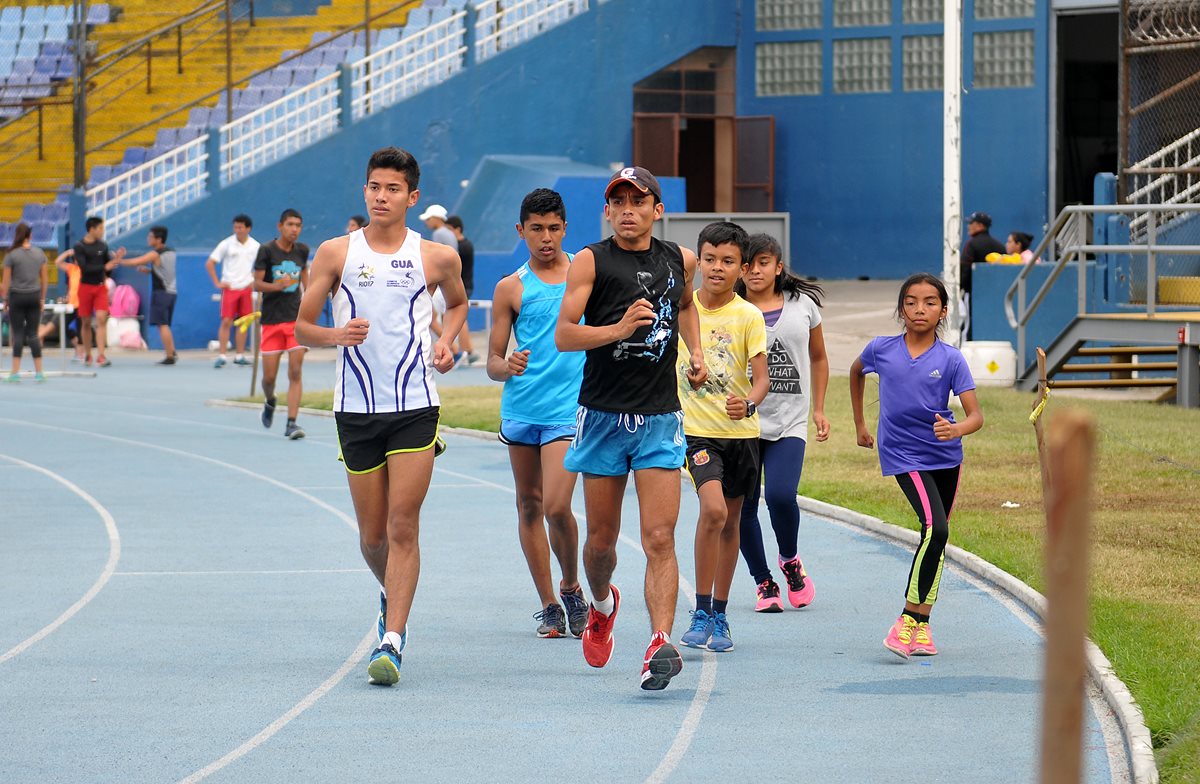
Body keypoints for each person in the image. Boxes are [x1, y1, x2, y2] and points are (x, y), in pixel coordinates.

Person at [295, 146, 466, 686]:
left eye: (393, 189)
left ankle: (392, 637)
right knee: (372, 538)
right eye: (374, 187)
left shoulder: (436, 257)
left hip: (416, 405)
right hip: (355, 409)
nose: (381, 196)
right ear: (364, 190)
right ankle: (392, 589)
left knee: (402, 525)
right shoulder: (334, 254)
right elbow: (301, 328)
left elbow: (457, 305)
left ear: (412, 198)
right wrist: (334, 335)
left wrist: (448, 342)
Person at [555, 166, 707, 691]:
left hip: (660, 417)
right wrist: (618, 329)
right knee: (600, 544)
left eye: (637, 201)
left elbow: (686, 305)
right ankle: (601, 605)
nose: (627, 210)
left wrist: (697, 352)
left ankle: (659, 644)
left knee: (660, 537)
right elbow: (564, 336)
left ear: (656, 210)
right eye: (617, 202)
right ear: (607, 211)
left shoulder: (680, 260)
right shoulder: (590, 262)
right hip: (601, 415)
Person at [849, 272, 984, 659]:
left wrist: (956, 428)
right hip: (902, 454)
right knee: (935, 527)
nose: (919, 309)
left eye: (929, 303)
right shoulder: (881, 349)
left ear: (943, 311)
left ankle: (923, 627)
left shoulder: (951, 359)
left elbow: (976, 416)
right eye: (911, 302)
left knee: (936, 538)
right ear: (901, 309)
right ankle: (907, 618)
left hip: (945, 458)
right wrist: (860, 423)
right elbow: (857, 372)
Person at [487, 188, 588, 639]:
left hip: (568, 409)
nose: (545, 238)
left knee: (557, 505)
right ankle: (548, 604)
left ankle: (570, 585)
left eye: (553, 228)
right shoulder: (510, 287)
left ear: (565, 228)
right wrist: (505, 365)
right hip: (522, 408)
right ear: (521, 231)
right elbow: (491, 360)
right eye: (536, 229)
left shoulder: (586, 276)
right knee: (529, 504)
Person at [676, 221, 768, 654]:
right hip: (697, 432)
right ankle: (699, 608)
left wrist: (747, 403)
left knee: (731, 523)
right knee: (711, 511)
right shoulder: (682, 308)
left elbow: (762, 382)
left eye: (727, 261)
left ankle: (721, 613)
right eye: (709, 259)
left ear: (742, 268)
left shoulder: (748, 316)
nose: (716, 268)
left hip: (742, 434)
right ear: (698, 261)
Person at [736, 234, 830, 613]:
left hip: (789, 421)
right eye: (748, 264)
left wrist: (819, 409)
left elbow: (820, 358)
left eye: (763, 263)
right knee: (742, 507)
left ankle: (790, 560)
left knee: (779, 495)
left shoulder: (802, 306)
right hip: (741, 423)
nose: (755, 270)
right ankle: (763, 583)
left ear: (778, 267)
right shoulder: (732, 308)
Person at [254, 209, 310, 440]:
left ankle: (292, 423)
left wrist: (310, 298)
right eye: (290, 224)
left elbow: (307, 281)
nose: (294, 229)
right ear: (280, 226)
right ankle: (270, 400)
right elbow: (256, 283)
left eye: (298, 225)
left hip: (295, 320)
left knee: (295, 371)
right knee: (269, 378)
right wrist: (276, 286)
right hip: (271, 320)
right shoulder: (267, 250)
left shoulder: (302, 251)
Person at [117, 225, 177, 365]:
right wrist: (150, 271)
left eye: (150, 237)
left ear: (159, 239)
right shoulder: (171, 252)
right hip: (171, 292)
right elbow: (165, 271)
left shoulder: (155, 254)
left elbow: (135, 262)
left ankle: (170, 356)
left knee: (162, 325)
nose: (148, 239)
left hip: (161, 292)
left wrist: (119, 260)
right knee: (165, 324)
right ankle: (171, 350)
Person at [206, 214, 260, 368]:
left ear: (248, 228)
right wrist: (217, 282)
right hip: (230, 288)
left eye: (241, 227)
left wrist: (253, 280)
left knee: (243, 323)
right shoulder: (226, 244)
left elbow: (262, 266)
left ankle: (240, 355)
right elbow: (210, 263)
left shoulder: (255, 246)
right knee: (226, 321)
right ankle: (222, 355)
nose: (238, 230)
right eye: (235, 227)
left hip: (246, 289)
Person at [73, 216, 125, 367]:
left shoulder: (103, 245)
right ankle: (88, 353)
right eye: (100, 228)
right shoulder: (79, 246)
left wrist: (116, 259)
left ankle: (101, 355)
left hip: (101, 287)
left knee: (102, 318)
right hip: (85, 287)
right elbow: (84, 268)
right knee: (86, 322)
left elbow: (108, 266)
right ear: (91, 229)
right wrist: (105, 267)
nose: (102, 231)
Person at [2, 223, 49, 382]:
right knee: (33, 334)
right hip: (34, 296)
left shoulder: (11, 255)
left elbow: (6, 282)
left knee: (18, 334)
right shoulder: (39, 253)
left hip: (17, 296)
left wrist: (5, 300)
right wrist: (42, 298)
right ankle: (39, 372)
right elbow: (44, 279)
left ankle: (15, 373)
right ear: (31, 236)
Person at [959, 212, 1004, 339]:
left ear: (979, 225)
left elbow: (965, 269)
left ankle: (967, 352)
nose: (968, 227)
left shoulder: (972, 244)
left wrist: (959, 287)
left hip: (973, 294)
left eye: (970, 223)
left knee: (969, 326)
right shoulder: (999, 246)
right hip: (996, 296)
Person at [37, 249, 82, 361]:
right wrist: (67, 253)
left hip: (82, 304)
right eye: (75, 259)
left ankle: (81, 354)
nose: (77, 261)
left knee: (81, 329)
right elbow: (57, 262)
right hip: (71, 305)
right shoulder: (72, 269)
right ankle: (78, 350)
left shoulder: (86, 270)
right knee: (64, 326)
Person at [446, 215, 479, 364]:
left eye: (449, 230)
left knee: (459, 316)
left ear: (457, 229)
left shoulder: (463, 247)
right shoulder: (464, 245)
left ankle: (467, 350)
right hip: (464, 284)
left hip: (463, 285)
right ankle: (464, 350)